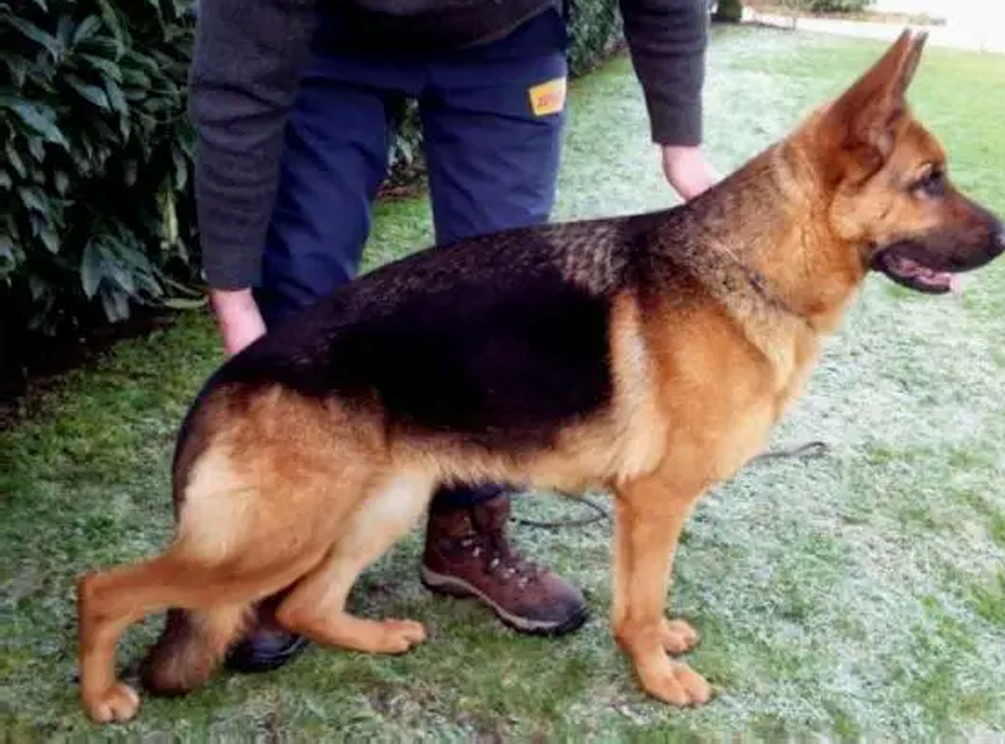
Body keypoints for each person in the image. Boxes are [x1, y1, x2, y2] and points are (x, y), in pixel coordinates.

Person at [186, 0, 717, 673]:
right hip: (332, 41)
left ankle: (465, 526)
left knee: (503, 309)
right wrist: (234, 296)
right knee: (303, 284)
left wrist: (681, 142)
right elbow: (237, 86)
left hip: (506, 37)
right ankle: (281, 548)